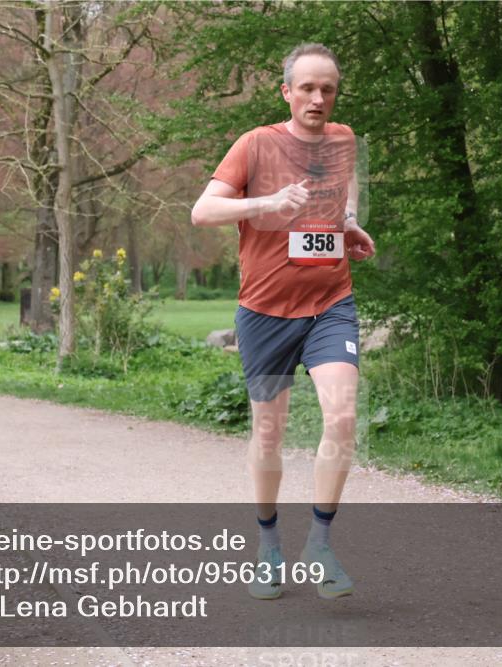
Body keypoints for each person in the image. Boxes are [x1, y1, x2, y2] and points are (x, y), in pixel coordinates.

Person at [191, 43, 375, 600]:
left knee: (342, 416)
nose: (318, 98)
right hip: (265, 314)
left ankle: (319, 544)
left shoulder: (343, 140)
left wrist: (347, 223)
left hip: (330, 304)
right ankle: (268, 545)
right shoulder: (255, 144)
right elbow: (203, 211)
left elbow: (345, 188)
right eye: (308, 88)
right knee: (269, 433)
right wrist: (265, 204)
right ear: (287, 92)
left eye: (328, 89)